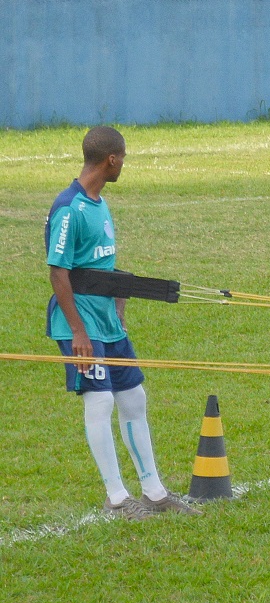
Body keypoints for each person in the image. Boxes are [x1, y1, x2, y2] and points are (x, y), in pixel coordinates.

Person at [45, 126, 197, 520]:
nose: (124, 164)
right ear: (111, 159)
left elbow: (100, 266)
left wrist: (120, 302)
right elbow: (59, 274)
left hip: (108, 322)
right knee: (100, 400)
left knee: (134, 398)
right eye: (123, 158)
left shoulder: (100, 203)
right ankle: (116, 497)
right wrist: (79, 332)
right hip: (80, 325)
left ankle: (154, 492)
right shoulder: (69, 207)